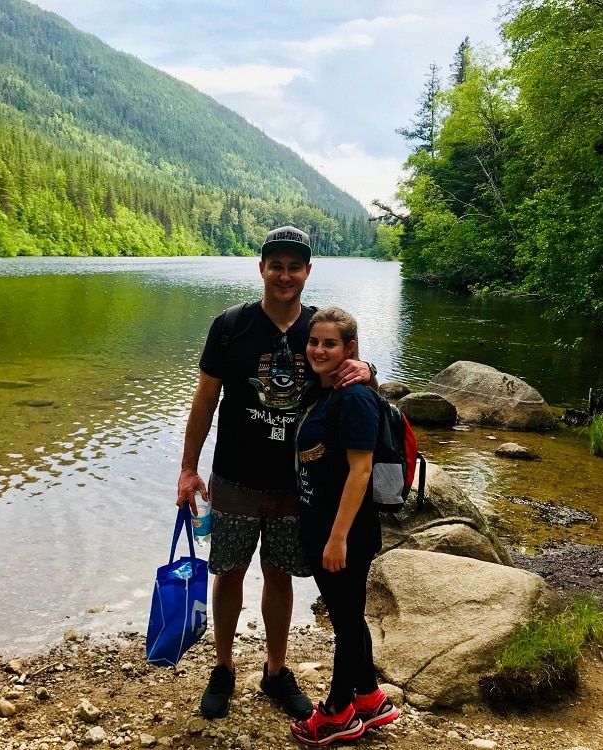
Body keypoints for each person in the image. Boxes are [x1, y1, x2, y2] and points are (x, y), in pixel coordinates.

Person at [176, 226, 376, 721]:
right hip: (234, 476)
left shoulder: (317, 330)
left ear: (308, 271)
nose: (284, 275)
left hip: (296, 485)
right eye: (276, 265)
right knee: (229, 572)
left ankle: (275, 670)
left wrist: (367, 366)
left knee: (279, 574)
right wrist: (187, 468)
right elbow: (205, 398)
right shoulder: (230, 326)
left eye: (294, 266)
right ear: (261, 268)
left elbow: (348, 372)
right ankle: (222, 668)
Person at [289, 307, 400, 746]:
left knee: (346, 621)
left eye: (330, 343)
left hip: (344, 533)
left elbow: (360, 471)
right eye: (314, 341)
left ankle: (338, 713)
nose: (318, 349)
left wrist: (337, 538)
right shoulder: (324, 391)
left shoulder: (353, 398)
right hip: (325, 526)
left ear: (349, 349)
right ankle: (369, 698)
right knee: (350, 615)